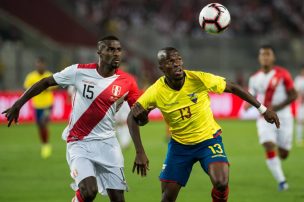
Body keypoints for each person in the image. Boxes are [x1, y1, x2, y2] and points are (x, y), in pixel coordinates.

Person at [127, 47, 280, 202]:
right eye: (170, 61)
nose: (176, 64)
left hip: (208, 140)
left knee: (221, 182)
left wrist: (262, 109)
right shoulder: (155, 91)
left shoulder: (198, 78)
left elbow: (232, 86)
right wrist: (140, 151)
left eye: (178, 59)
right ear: (161, 68)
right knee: (167, 198)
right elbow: (131, 117)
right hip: (179, 146)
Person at [2, 36, 141, 202]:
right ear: (99, 52)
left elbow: (138, 117)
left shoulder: (128, 81)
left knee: (118, 198)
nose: (116, 53)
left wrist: (140, 144)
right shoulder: (79, 72)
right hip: (79, 141)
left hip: (108, 143)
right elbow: (46, 82)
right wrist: (18, 104)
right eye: (111, 49)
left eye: (119, 50)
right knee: (89, 191)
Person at [245, 45, 297, 191]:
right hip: (265, 117)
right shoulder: (254, 78)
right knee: (268, 144)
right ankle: (282, 182)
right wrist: (247, 104)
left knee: (284, 153)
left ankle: (281, 161)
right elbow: (251, 95)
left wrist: (276, 108)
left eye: (268, 54)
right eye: (263, 55)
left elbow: (294, 95)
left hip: (285, 118)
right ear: (259, 58)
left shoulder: (283, 74)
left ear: (273, 57)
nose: (265, 57)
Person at [23, 57, 54, 159]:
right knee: (40, 126)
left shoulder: (49, 75)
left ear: (44, 65)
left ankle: (46, 145)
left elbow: (55, 86)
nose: (39, 66)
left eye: (41, 64)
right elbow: (26, 88)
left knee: (43, 122)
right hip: (37, 105)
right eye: (38, 64)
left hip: (48, 104)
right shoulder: (31, 76)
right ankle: (44, 144)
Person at [294, 67, 304, 146]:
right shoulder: (298, 80)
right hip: (301, 104)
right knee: (300, 121)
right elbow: (296, 92)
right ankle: (299, 139)